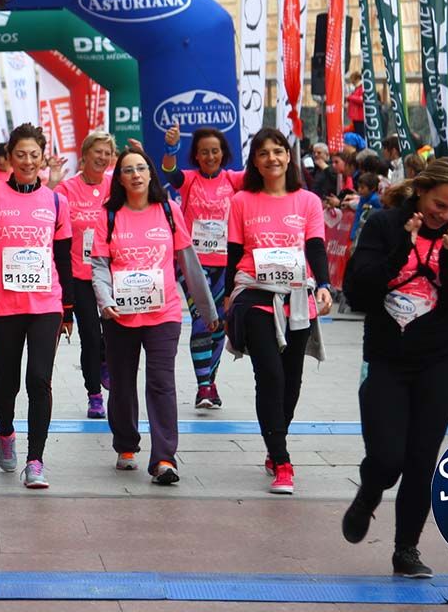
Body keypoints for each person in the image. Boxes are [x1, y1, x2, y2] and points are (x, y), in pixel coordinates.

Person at [340, 157, 448, 579]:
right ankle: (369, 493)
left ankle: (407, 549)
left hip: (439, 360)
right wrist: (404, 244)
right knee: (386, 458)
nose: (446, 216)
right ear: (421, 191)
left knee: (421, 460)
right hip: (386, 359)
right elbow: (357, 291)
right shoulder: (385, 225)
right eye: (440, 205)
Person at [91, 148, 218, 484]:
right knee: (121, 383)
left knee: (162, 383)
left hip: (164, 314)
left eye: (141, 168)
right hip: (119, 315)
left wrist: (207, 311)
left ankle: (164, 458)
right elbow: (100, 266)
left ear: (150, 174)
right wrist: (105, 301)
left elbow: (189, 264)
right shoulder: (107, 216)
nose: (135, 175)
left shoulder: (169, 210)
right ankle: (126, 443)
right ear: (119, 178)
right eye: (128, 170)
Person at [225, 128, 334, 495]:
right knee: (270, 375)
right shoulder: (241, 200)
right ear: (254, 161)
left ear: (289, 157)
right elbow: (233, 251)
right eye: (263, 153)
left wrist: (324, 285)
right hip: (254, 292)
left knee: (291, 380)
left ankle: (275, 440)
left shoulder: (308, 201)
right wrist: (228, 297)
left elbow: (316, 246)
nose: (271, 158)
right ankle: (282, 460)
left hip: (298, 296)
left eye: (278, 151)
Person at [0, 123, 74, 490]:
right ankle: (5, 432)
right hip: (2, 304)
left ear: (43, 157)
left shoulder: (57, 201)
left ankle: (36, 460)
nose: (28, 161)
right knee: (7, 382)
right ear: (9, 158)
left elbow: (64, 257)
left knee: (39, 380)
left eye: (34, 155)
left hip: (46, 303)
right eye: (21, 155)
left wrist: (69, 305)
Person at [158, 123, 243, 409]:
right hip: (193, 264)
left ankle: (210, 381)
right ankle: (204, 385)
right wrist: (171, 149)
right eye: (204, 152)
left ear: (223, 153)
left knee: (220, 325)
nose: (210, 157)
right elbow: (169, 171)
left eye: (215, 151)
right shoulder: (190, 179)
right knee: (202, 318)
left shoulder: (234, 180)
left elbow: (263, 175)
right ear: (196, 155)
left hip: (226, 263)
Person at [56, 131, 116, 418]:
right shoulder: (67, 189)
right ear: (85, 154)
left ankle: (106, 359)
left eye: (107, 153)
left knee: (113, 334)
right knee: (90, 335)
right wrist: (54, 180)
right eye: (98, 151)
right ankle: (94, 395)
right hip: (79, 274)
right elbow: (49, 214)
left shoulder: (115, 186)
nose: (102, 157)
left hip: (111, 273)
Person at [349, 173, 383, 243]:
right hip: (361, 231)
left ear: (372, 188)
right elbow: (358, 215)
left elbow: (382, 213)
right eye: (359, 187)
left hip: (372, 233)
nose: (359, 190)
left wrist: (370, 208)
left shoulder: (375, 200)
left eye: (362, 188)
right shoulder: (362, 198)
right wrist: (353, 235)